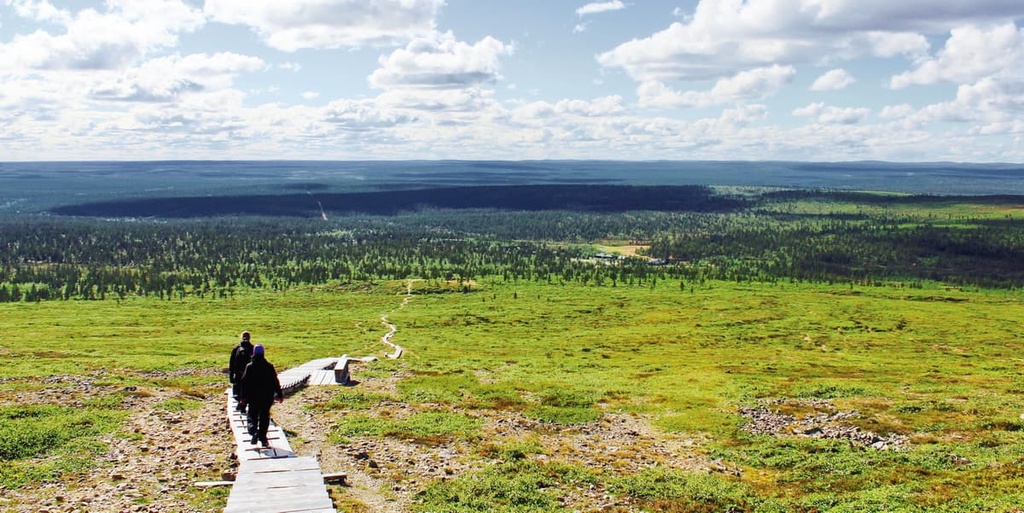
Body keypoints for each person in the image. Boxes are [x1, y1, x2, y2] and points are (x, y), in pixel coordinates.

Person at [240, 344, 283, 447]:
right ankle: (263, 438)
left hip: (253, 397)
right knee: (264, 416)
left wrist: (243, 397)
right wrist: (279, 394)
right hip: (266, 397)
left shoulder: (250, 367)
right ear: (263, 353)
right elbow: (275, 381)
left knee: (252, 416)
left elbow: (244, 383)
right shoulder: (269, 366)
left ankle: (254, 431)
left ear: (254, 353)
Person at [229, 331, 254, 412]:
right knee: (247, 390)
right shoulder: (253, 348)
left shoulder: (236, 348)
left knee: (237, 391)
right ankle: (243, 405)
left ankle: (240, 404)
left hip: (238, 373)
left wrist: (231, 375)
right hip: (249, 374)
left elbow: (232, 363)